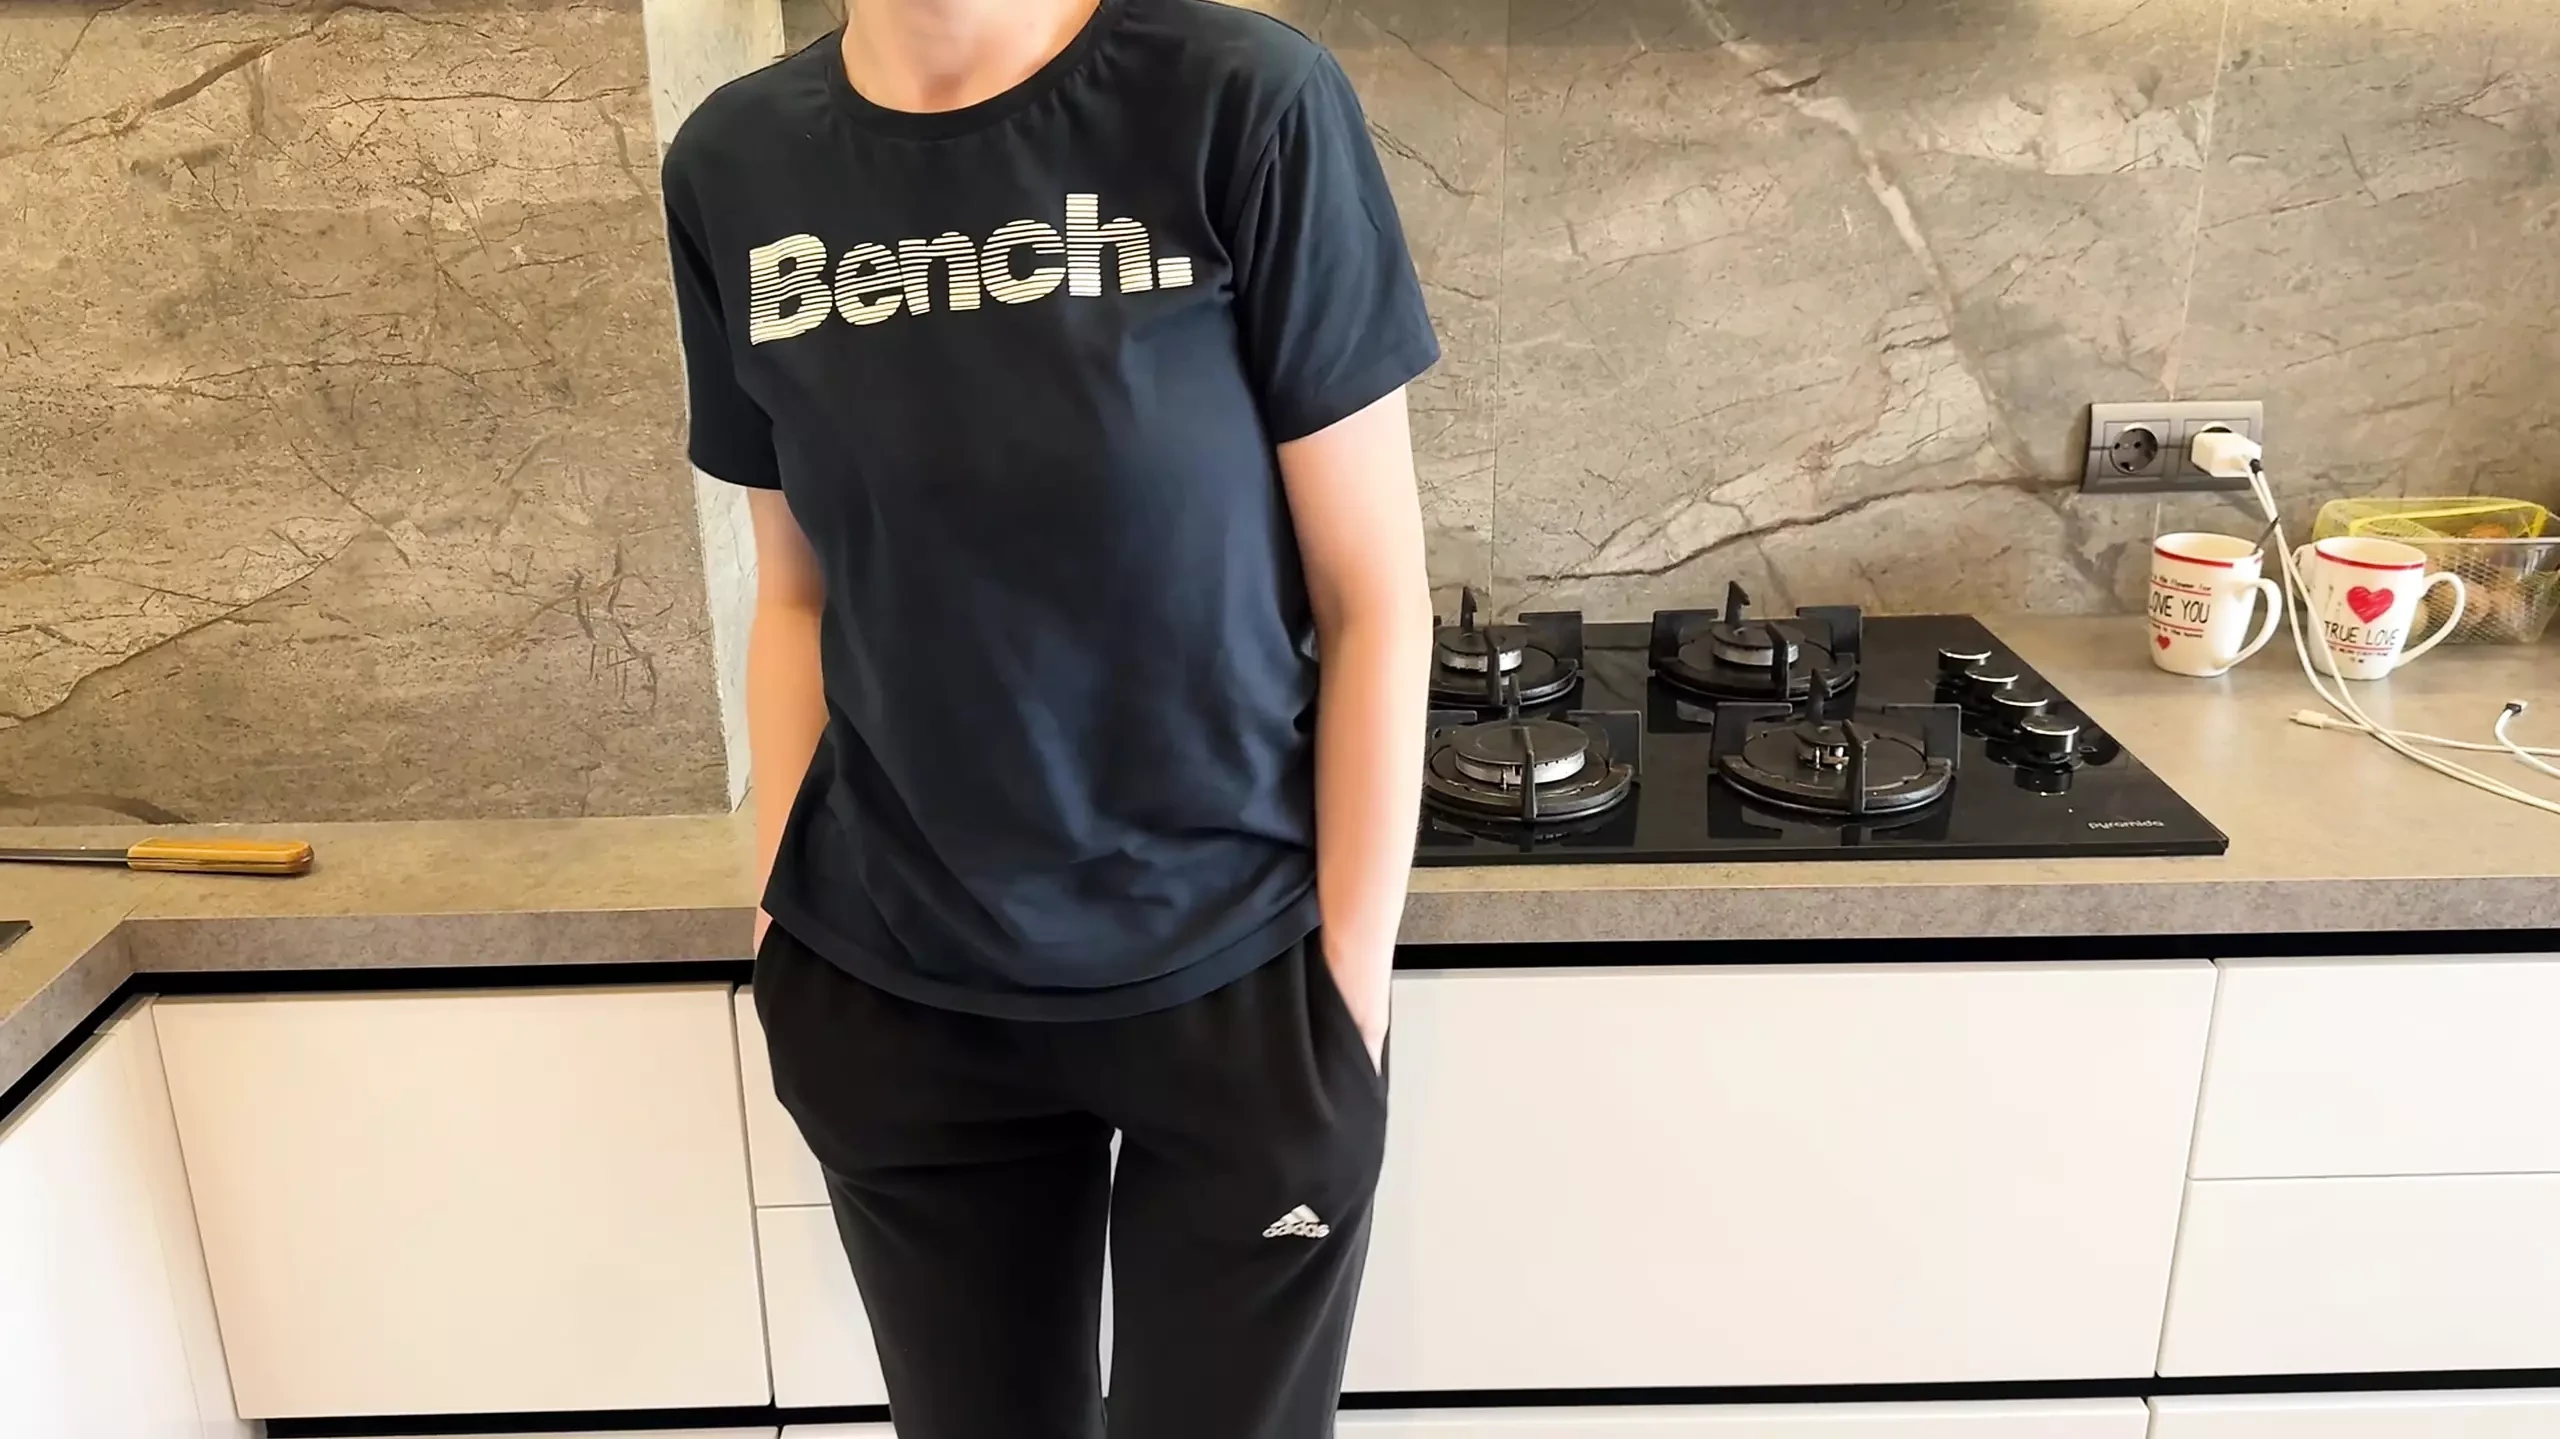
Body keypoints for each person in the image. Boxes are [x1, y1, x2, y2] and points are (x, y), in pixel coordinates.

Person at [659, 0, 1439, 1432]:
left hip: (1237, 966)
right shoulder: (736, 162)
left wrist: (1346, 986)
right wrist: (783, 922)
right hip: (898, 978)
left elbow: (1373, 595)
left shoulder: (1240, 101)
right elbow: (797, 595)